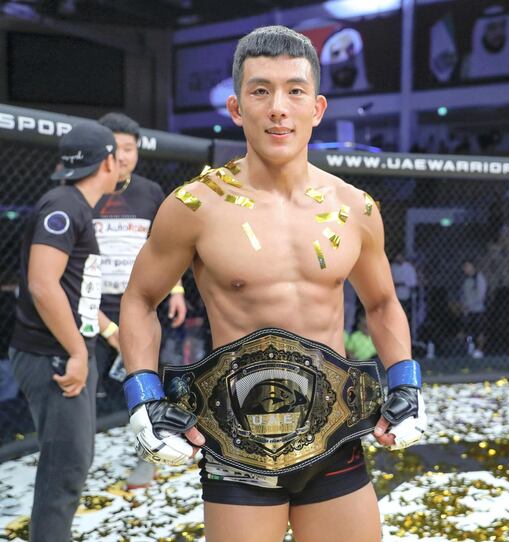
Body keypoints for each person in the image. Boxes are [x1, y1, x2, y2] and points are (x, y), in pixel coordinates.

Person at [119, 26, 427, 542]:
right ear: (238, 108)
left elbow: (382, 302)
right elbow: (140, 299)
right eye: (261, 90)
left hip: (335, 435)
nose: (278, 107)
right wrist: (143, 396)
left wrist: (406, 382)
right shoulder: (194, 206)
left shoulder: (355, 208)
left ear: (317, 107)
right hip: (236, 444)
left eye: (295, 90)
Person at [9, 122, 120, 542]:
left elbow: (74, 289)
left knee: (71, 464)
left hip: (62, 350)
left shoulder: (70, 203)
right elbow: (43, 282)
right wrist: (77, 351)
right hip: (53, 356)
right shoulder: (64, 205)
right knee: (66, 469)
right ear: (108, 160)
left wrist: (107, 330)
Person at [93, 112, 188, 488]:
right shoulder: (85, 191)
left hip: (141, 300)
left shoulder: (149, 192)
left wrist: (177, 290)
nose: (123, 155)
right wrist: (106, 326)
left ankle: (146, 459)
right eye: (115, 148)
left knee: (147, 387)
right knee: (83, 386)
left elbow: (166, 247)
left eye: (129, 148)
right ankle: (77, 463)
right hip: (91, 307)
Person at [460, 260, 488, 358]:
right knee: (468, 330)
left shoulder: (479, 278)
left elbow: (481, 295)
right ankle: (470, 348)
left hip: (478, 310)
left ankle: (480, 350)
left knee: (479, 331)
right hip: (468, 311)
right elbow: (464, 294)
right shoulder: (466, 280)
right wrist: (464, 305)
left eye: (467, 266)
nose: (465, 269)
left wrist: (470, 304)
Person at [391, 252, 418, 325]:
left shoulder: (409, 267)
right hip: (395, 296)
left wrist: (402, 283)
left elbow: (413, 282)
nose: (398, 260)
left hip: (406, 296)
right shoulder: (393, 267)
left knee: (405, 315)